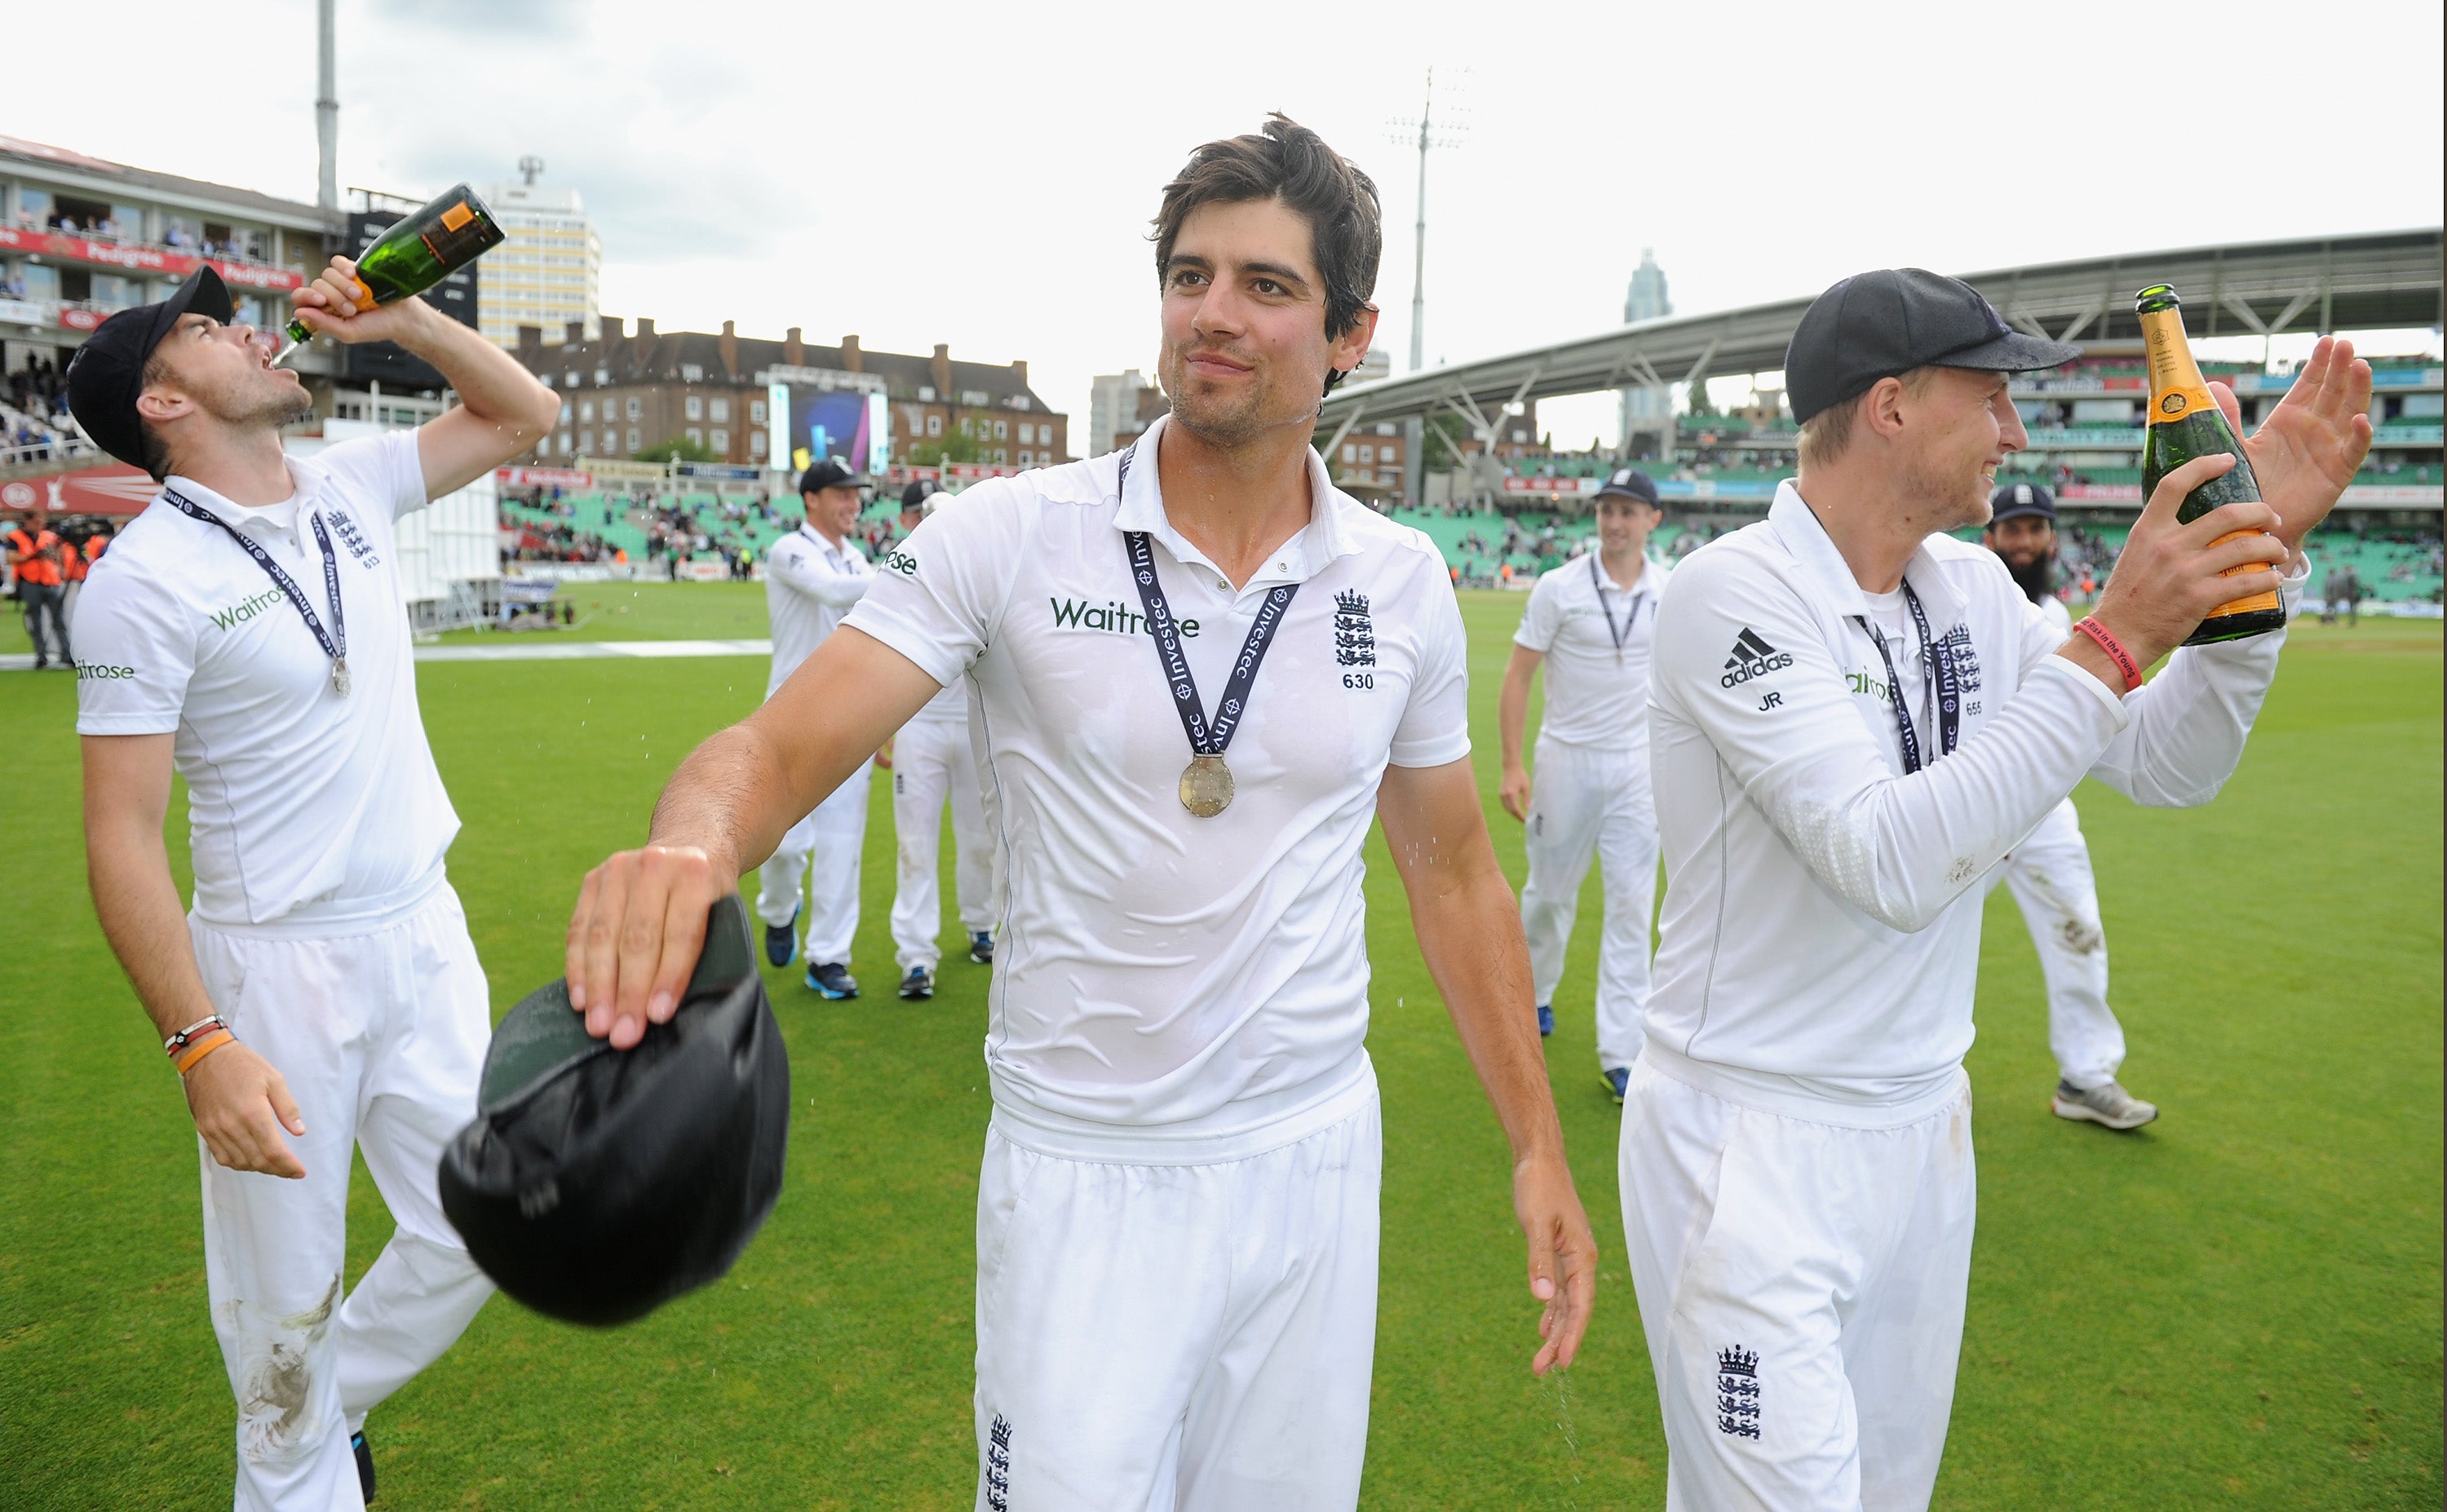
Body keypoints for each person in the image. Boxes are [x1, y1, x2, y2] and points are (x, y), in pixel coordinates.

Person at [560, 115, 1596, 1509]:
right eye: (1190, 274)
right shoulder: (1012, 533)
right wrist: (690, 842)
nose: (1212, 314)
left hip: (1312, 1159)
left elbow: (1457, 871)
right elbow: (776, 743)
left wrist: (1536, 1140)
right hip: (1085, 1167)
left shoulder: (1400, 579)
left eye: (1265, 286)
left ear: (1348, 335)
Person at [1622, 267, 2369, 1509]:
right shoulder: (1729, 595)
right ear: (1893, 408)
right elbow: (1890, 864)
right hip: (1749, 1142)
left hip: (1924, 1131)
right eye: (1995, 396)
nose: (2017, 433)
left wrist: (2250, 580)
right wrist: (2114, 635)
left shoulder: (1974, 590)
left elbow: (2167, 764)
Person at [69, 261, 560, 1510]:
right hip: (274, 967)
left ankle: (319, 1419)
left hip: (422, 932)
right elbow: (122, 836)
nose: (245, 327)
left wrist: (405, 320)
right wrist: (200, 1043)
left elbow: (521, 417)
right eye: (202, 329)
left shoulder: (343, 480)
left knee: (490, 1221)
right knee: (280, 1322)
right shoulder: (140, 579)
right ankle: (296, 1451)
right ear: (163, 403)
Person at [1980, 482, 2157, 1128]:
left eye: (2035, 529)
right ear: (1989, 538)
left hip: (2045, 811)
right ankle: (1875, 1076)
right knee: (1908, 942)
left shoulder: (2063, 621)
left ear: (2052, 540)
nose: (2024, 541)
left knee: (2080, 933)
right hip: (1966, 803)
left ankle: (2086, 1079)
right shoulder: (1965, 610)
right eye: (2012, 529)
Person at [1498, 466, 1672, 1103]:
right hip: (1566, 761)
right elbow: (1518, 677)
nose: (1615, 522)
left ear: (1653, 520)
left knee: (1631, 908)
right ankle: (1536, 993)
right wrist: (1513, 765)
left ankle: (1623, 1051)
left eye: (1628, 511)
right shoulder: (1559, 587)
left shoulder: (1673, 590)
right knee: (1548, 894)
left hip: (1637, 768)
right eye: (1606, 510)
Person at [754, 456, 881, 999]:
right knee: (783, 846)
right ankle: (778, 911)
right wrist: (905, 570)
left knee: (841, 845)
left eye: (856, 495)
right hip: (788, 718)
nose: (853, 503)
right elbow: (832, 592)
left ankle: (828, 958)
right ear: (811, 499)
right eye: (841, 494)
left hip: (849, 720)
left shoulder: (859, 558)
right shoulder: (790, 550)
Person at [886, 480, 1000, 1000]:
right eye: (925, 517)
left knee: (980, 840)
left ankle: (980, 925)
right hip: (921, 724)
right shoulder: (899, 572)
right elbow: (882, 656)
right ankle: (915, 956)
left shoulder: (981, 568)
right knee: (915, 844)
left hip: (973, 723)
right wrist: (881, 725)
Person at [7, 505, 70, 667]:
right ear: (27, 522)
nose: (39, 525)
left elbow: (58, 556)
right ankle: (41, 655)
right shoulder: (16, 537)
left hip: (50, 580)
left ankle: (66, 653)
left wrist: (58, 564)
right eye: (36, 522)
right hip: (30, 581)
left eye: (41, 522)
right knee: (36, 621)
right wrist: (33, 556)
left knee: (59, 620)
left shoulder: (49, 536)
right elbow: (11, 557)